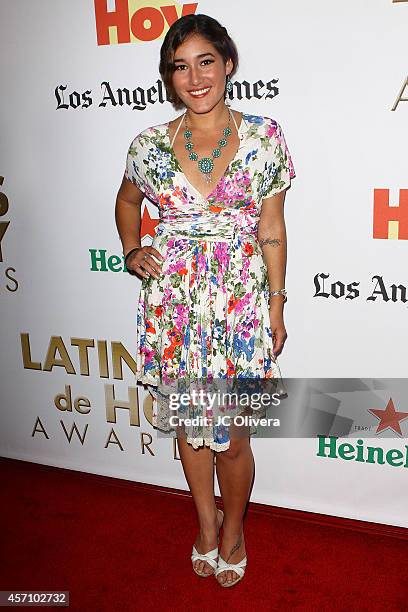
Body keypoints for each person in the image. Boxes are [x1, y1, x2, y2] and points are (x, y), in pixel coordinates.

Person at [115, 14, 295, 588]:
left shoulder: (264, 136)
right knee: (190, 430)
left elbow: (272, 227)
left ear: (229, 64)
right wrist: (131, 247)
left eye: (205, 62)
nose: (194, 78)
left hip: (238, 305)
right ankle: (206, 524)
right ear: (169, 78)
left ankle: (235, 526)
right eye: (179, 67)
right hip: (176, 305)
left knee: (233, 435)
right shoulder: (148, 145)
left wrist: (275, 305)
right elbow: (125, 201)